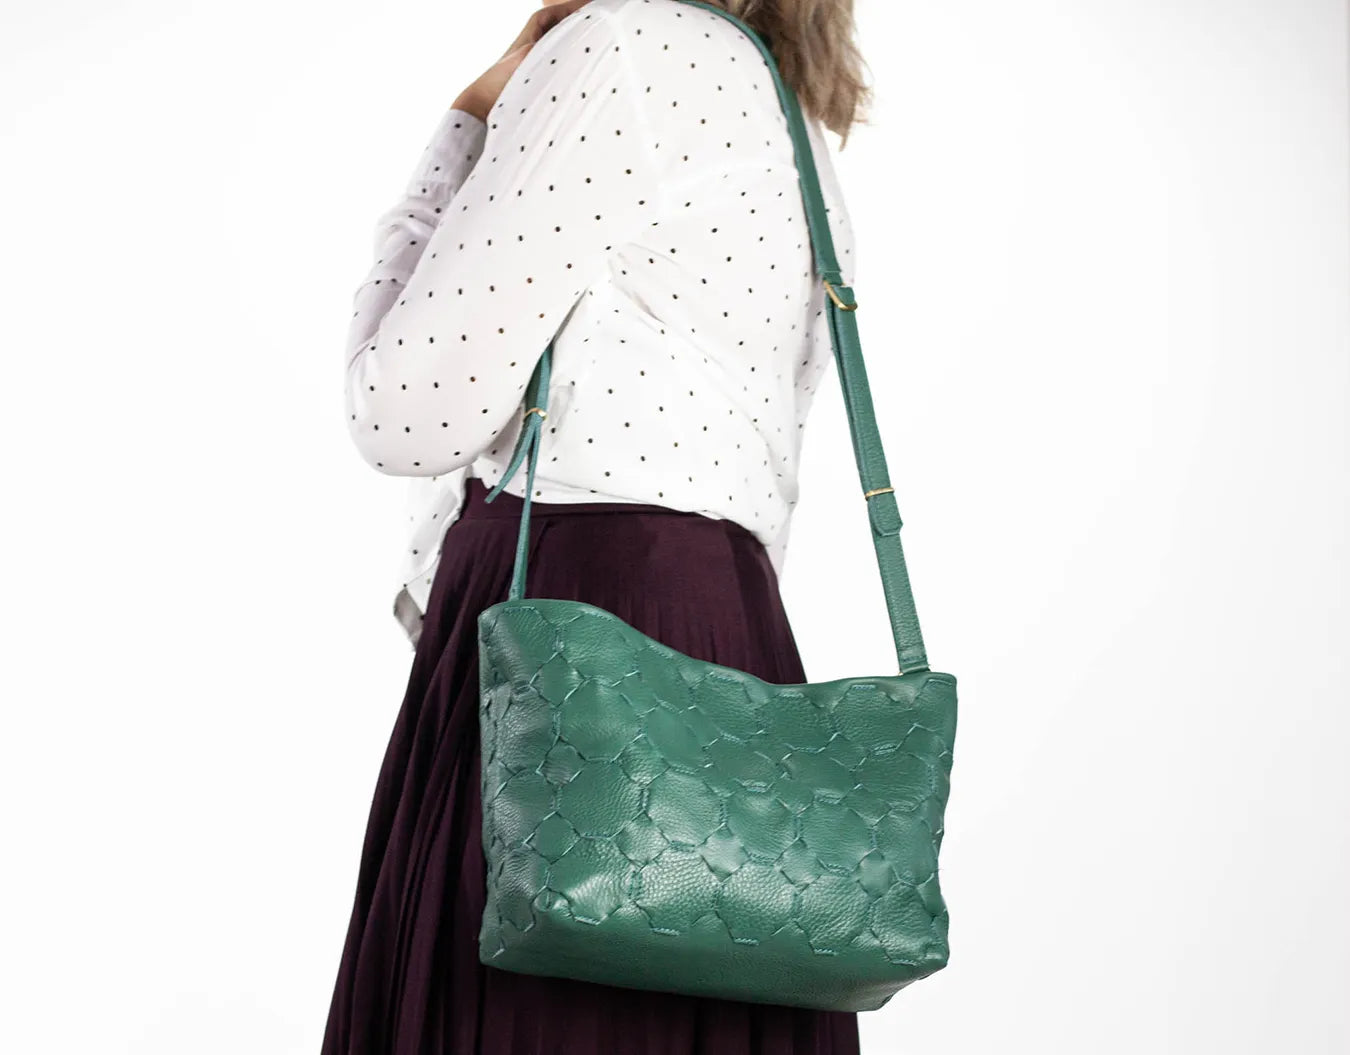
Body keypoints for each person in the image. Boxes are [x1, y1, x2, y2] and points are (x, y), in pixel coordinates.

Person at [321, 0, 865, 1050]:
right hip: (724, 650)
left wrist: (465, 122)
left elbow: (402, 411)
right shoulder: (785, 111)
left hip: (568, 650)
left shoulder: (624, 47)